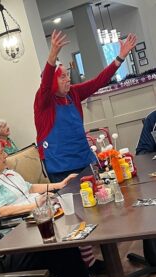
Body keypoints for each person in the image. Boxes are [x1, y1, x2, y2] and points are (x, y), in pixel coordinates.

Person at [0, 135, 105, 274]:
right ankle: (87, 266)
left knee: (76, 211)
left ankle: (87, 261)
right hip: (19, 226)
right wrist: (35, 205)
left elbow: (29, 188)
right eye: (1, 154)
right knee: (70, 220)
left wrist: (59, 184)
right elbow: (1, 211)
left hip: (37, 213)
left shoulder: (6, 172)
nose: (6, 155)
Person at [34, 30, 137, 183]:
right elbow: (46, 83)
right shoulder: (44, 100)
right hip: (61, 167)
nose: (68, 79)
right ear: (53, 81)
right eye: (63, 76)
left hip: (85, 160)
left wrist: (120, 58)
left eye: (68, 75)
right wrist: (53, 54)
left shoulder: (73, 93)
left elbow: (98, 81)